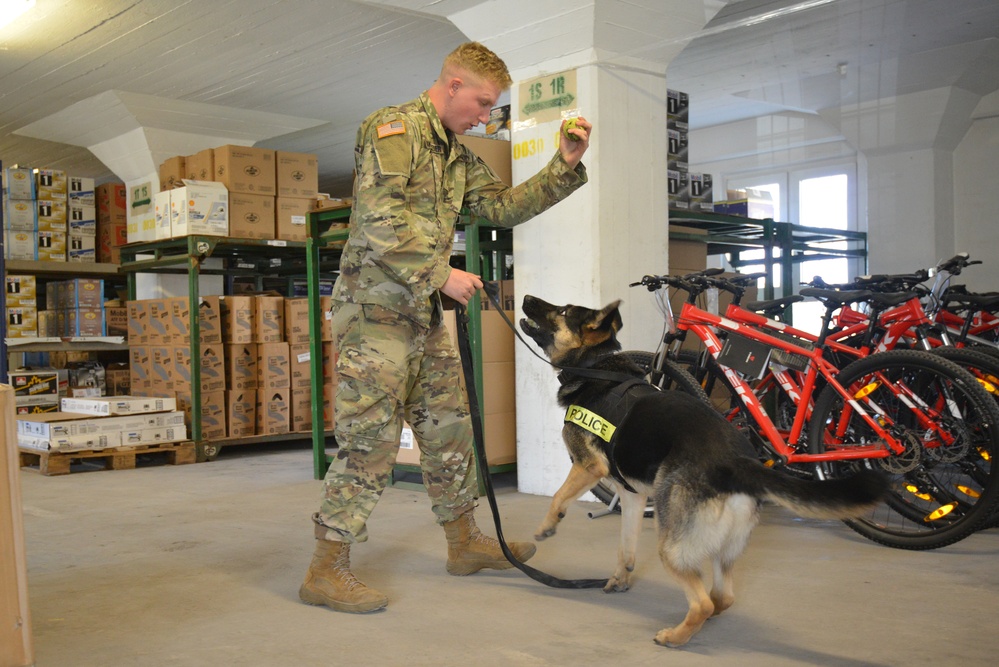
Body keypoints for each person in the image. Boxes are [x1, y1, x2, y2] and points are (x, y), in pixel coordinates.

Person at [300, 41, 592, 614]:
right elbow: (379, 223)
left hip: (424, 317)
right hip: (375, 318)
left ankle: (464, 543)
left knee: (449, 433)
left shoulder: (455, 155)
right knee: (369, 444)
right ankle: (325, 569)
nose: (485, 115)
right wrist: (442, 274)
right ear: (452, 85)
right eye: (482, 103)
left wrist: (566, 163)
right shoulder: (394, 130)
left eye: (492, 107)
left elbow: (503, 208)